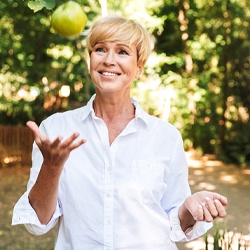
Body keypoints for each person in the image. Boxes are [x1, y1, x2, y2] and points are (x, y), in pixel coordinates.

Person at [12, 15, 227, 250]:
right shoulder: (55, 130)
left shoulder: (166, 136)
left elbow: (175, 219)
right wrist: (51, 168)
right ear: (90, 59)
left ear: (139, 67)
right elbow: (38, 223)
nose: (109, 60)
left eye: (122, 52)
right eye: (100, 49)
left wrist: (190, 206)